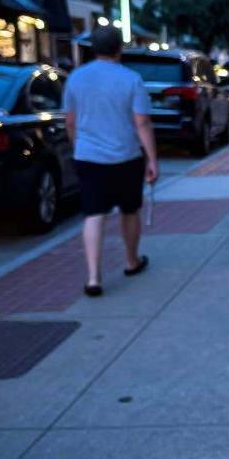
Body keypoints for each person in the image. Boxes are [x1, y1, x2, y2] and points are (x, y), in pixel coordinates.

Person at [63, 26, 158, 296]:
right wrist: (152, 159)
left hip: (89, 157)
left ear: (94, 48)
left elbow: (69, 121)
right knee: (130, 211)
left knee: (94, 214)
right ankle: (131, 260)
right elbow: (143, 122)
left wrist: (79, 146)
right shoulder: (131, 79)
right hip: (125, 156)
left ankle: (93, 277)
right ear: (120, 48)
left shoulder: (76, 78)